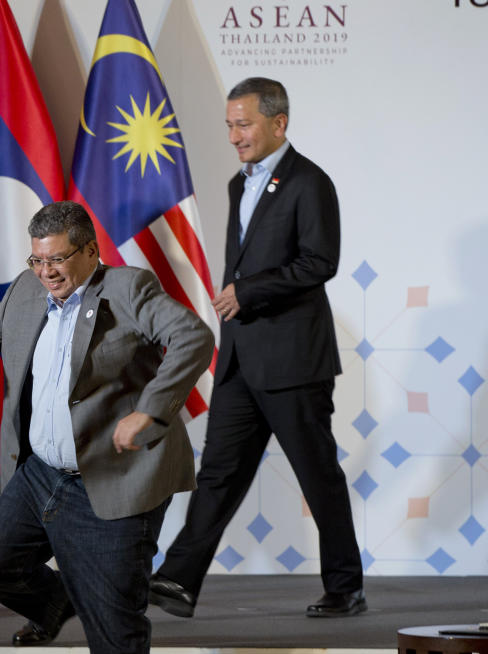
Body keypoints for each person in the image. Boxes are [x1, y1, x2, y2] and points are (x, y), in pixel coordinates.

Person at [0, 201, 214, 652]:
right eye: (37, 259)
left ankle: (94, 610)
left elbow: (194, 336)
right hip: (41, 474)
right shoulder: (27, 289)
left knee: (114, 630)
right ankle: (59, 607)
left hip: (114, 475)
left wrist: (152, 410)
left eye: (57, 259)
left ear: (91, 250)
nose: (46, 271)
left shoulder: (128, 288)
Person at [148, 77, 366, 619]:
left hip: (294, 361)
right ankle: (177, 579)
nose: (234, 136)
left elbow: (321, 262)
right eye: (229, 125)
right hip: (242, 360)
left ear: (279, 123)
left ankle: (346, 588)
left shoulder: (310, 183)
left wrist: (248, 291)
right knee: (219, 472)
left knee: (317, 475)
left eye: (243, 124)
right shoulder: (236, 184)